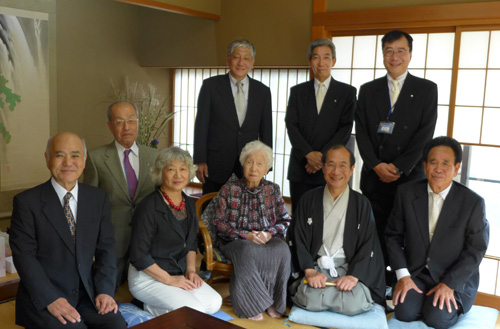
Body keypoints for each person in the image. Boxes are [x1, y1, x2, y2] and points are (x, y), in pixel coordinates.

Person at [9, 132, 127, 329]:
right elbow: (24, 258)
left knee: (115, 324)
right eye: (59, 155)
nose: (68, 163)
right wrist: (50, 299)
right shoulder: (26, 202)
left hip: (86, 295)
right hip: (44, 296)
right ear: (47, 159)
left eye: (75, 155)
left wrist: (105, 291)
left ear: (84, 159)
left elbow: (106, 248)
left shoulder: (97, 199)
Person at [355, 30, 438, 284]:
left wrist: (400, 167)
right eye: (389, 51)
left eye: (400, 51)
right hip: (374, 176)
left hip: (409, 177)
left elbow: (426, 134)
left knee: (407, 232)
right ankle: (375, 281)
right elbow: (362, 131)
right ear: (382, 55)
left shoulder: (426, 89)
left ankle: (404, 283)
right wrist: (376, 165)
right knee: (375, 230)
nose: (395, 57)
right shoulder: (368, 90)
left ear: (410, 54)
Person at [386, 136, 489, 329]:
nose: (438, 169)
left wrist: (449, 284)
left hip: (451, 276)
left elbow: (476, 250)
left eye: (445, 163)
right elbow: (393, 236)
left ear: (457, 168)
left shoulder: (472, 203)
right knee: (404, 312)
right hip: (416, 272)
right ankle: (421, 301)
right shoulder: (406, 193)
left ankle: (443, 304)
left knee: (437, 318)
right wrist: (403, 276)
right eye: (433, 163)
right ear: (425, 166)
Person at [288, 145, 385, 315]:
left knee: (354, 303)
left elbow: (369, 244)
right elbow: (298, 238)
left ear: (352, 169)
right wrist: (309, 271)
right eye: (331, 165)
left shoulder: (362, 203)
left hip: (349, 266)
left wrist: (353, 276)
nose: (336, 171)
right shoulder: (308, 199)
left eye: (342, 165)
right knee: (308, 298)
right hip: (316, 265)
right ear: (323, 167)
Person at [128, 146, 222, 316]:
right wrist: (169, 280)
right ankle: (146, 305)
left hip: (178, 272)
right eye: (171, 169)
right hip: (148, 278)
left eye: (183, 169)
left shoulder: (190, 204)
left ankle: (157, 308)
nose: (178, 175)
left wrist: (191, 271)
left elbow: (191, 243)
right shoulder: (148, 207)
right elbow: (138, 255)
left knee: (214, 303)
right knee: (195, 311)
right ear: (160, 173)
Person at [210, 140, 291, 320]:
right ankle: (254, 303)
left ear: (266, 168)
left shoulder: (273, 189)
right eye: (249, 162)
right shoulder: (229, 189)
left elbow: (285, 219)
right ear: (243, 164)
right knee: (246, 249)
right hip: (235, 242)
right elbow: (219, 222)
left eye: (259, 164)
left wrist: (268, 233)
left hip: (266, 239)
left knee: (283, 249)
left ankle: (274, 302)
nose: (254, 168)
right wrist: (245, 235)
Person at [83, 101, 158, 288]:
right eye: (120, 121)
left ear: (138, 123)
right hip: (112, 239)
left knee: (146, 291)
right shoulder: (96, 157)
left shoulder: (154, 156)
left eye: (132, 120)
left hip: (147, 239)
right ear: (110, 126)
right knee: (107, 291)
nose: (127, 127)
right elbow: (89, 204)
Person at [286, 38, 356, 214]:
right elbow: (291, 125)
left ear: (333, 61)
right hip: (301, 165)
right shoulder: (297, 91)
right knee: (300, 215)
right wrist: (308, 155)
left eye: (326, 57)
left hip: (331, 168)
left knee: (328, 216)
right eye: (316, 57)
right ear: (310, 62)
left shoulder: (347, 92)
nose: (321, 62)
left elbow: (345, 128)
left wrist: (321, 158)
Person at [194, 39, 272, 194]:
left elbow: (266, 130)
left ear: (252, 63)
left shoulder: (262, 91)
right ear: (228, 60)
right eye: (237, 57)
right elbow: (201, 126)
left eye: (246, 58)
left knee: (246, 213)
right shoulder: (210, 86)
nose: (241, 62)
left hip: (250, 166)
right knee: (212, 212)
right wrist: (199, 160)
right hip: (215, 164)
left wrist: (267, 162)